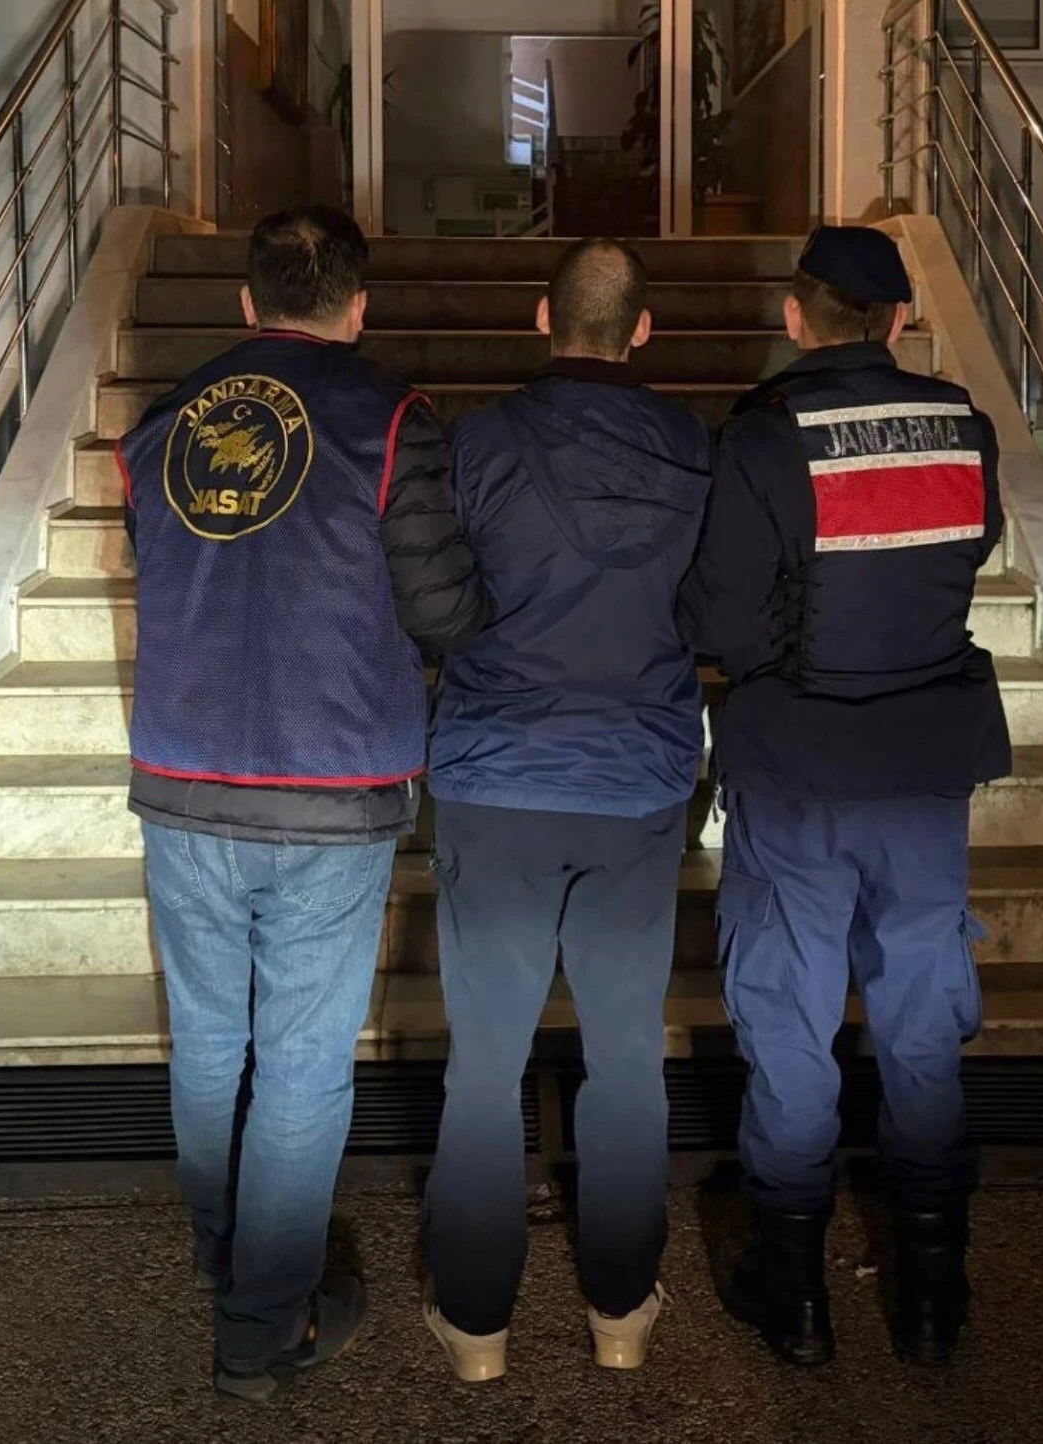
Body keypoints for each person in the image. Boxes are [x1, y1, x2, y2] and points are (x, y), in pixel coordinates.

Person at [118, 204, 489, 1402]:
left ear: (247, 301)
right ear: (358, 306)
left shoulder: (161, 425)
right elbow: (442, 610)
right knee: (301, 1064)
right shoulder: (391, 419)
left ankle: (224, 1253)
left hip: (184, 776)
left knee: (208, 1041)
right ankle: (262, 1326)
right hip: (329, 782)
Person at [679, 226, 1011, 1369]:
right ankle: (931, 1296)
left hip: (800, 773)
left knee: (789, 1021)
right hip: (924, 774)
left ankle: (798, 1296)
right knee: (923, 1027)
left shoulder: (765, 437)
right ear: (898, 321)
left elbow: (719, 618)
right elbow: (969, 552)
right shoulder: (964, 426)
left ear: (795, 318)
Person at [421, 238, 712, 1382]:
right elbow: (711, 604)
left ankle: (477, 1326)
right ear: (643, 330)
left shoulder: (478, 442)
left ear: (542, 319)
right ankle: (621, 1313)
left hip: (497, 776)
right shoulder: (693, 446)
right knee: (627, 1058)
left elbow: (436, 596)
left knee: (484, 1065)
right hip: (635, 781)